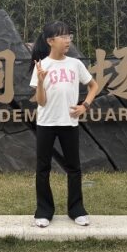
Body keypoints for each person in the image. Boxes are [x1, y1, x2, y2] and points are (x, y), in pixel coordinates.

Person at [29, 21, 98, 228]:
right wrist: (41, 81)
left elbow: (94, 86)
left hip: (69, 122)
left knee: (74, 168)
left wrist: (84, 105)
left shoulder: (75, 64)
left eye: (69, 36)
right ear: (51, 41)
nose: (68, 40)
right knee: (43, 168)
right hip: (46, 123)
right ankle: (43, 211)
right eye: (63, 37)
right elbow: (40, 101)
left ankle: (76, 210)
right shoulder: (42, 65)